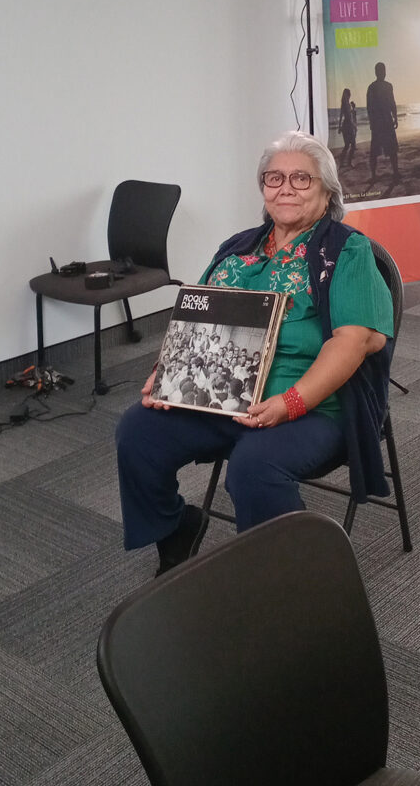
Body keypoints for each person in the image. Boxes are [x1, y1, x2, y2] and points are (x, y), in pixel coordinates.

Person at [116, 131, 395, 576]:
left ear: (327, 191)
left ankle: (284, 588)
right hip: (221, 395)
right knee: (138, 430)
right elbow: (194, 321)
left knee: (252, 466)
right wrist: (165, 374)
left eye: (302, 179)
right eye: (274, 177)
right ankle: (175, 529)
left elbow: (357, 340)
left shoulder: (347, 251)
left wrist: (291, 402)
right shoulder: (237, 248)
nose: (285, 187)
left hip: (313, 405)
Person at [365, 62, 399, 181]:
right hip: (383, 122)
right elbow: (391, 103)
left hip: (381, 122)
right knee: (385, 150)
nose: (383, 73)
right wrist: (395, 117)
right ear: (378, 72)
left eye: (383, 71)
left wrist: (395, 117)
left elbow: (370, 107)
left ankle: (390, 173)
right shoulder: (378, 87)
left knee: (388, 150)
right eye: (382, 71)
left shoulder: (374, 87)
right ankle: (391, 173)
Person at [337, 88, 358, 167]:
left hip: (348, 126)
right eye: (348, 94)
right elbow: (342, 116)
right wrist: (339, 127)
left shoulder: (347, 104)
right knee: (350, 145)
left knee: (349, 145)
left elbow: (345, 116)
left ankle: (345, 162)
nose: (349, 95)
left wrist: (354, 126)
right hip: (347, 126)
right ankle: (345, 162)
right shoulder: (345, 104)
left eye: (349, 94)